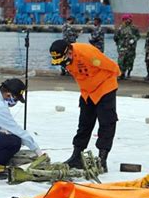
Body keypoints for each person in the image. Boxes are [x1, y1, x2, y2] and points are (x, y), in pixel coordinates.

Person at [49, 39, 120, 172]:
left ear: (69, 51)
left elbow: (112, 67)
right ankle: (77, 157)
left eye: (63, 60)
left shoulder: (88, 54)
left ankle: (101, 160)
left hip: (105, 87)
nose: (63, 65)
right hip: (87, 91)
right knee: (84, 123)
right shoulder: (66, 60)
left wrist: (110, 82)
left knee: (107, 123)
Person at [113, 14, 140, 79]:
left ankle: (128, 73)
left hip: (131, 48)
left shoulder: (134, 28)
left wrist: (134, 40)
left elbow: (138, 36)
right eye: (126, 19)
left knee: (129, 61)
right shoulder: (120, 28)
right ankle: (121, 73)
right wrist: (118, 43)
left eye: (129, 19)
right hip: (122, 47)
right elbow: (115, 37)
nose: (128, 20)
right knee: (121, 61)